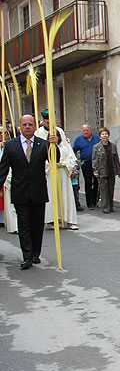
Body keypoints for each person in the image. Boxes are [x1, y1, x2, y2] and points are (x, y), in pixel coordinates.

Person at [0, 114, 58, 270]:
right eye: (24, 124)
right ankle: (26, 256)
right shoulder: (10, 146)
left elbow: (54, 159)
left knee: (37, 225)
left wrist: (55, 145)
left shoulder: (43, 144)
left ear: (34, 126)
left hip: (38, 192)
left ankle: (35, 254)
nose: (27, 127)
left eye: (30, 124)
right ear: (19, 127)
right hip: (20, 192)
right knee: (24, 225)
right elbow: (3, 169)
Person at [45, 130, 78, 230]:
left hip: (63, 175)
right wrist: (50, 165)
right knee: (52, 196)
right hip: (51, 175)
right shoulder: (46, 149)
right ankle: (53, 219)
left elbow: (71, 161)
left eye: (55, 136)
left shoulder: (64, 149)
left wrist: (62, 164)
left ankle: (70, 220)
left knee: (65, 196)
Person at [92, 127, 120, 214]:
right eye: (103, 134)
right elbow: (94, 160)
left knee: (111, 188)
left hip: (112, 170)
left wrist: (119, 171)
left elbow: (116, 159)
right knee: (103, 189)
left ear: (108, 135)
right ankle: (105, 207)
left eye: (106, 134)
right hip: (102, 171)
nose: (104, 136)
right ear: (100, 136)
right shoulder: (96, 147)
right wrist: (95, 170)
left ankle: (111, 206)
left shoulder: (113, 146)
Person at [72, 124, 100, 210]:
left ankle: (95, 200)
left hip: (96, 164)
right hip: (86, 164)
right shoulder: (79, 140)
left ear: (90, 130)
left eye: (87, 130)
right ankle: (89, 202)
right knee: (88, 183)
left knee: (96, 183)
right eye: (84, 130)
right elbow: (73, 151)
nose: (85, 131)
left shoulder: (96, 138)